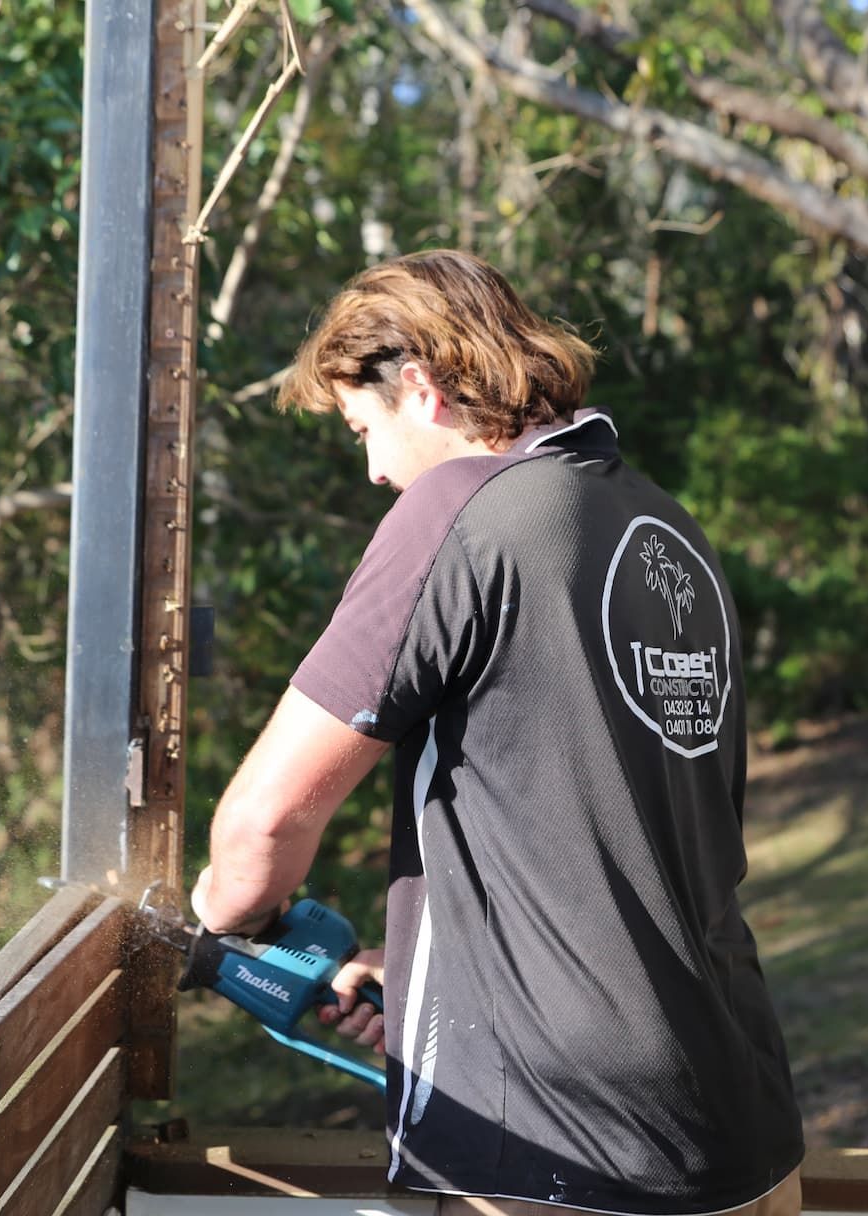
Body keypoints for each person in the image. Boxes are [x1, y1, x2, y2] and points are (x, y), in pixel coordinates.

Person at [189, 249, 804, 1216]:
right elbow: (638, 842)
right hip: (743, 1127)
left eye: (364, 428)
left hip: (563, 1150)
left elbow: (261, 829)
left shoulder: (459, 506)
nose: (374, 471)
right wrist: (436, 966)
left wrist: (221, 930)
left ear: (423, 389)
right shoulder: (661, 522)